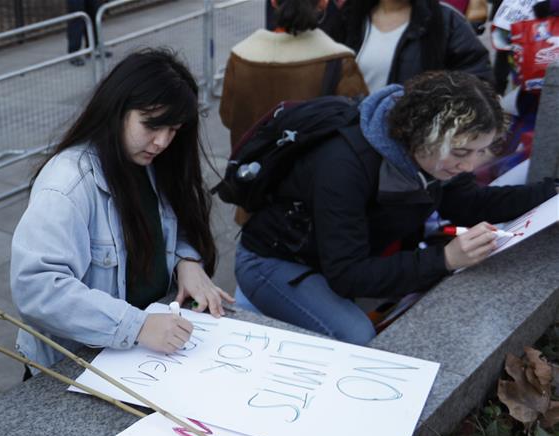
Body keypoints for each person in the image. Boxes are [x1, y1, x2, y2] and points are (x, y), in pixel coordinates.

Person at [234, 71, 557, 344]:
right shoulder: (345, 165)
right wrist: (445, 258)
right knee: (357, 335)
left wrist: (551, 192)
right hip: (272, 261)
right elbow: (347, 274)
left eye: (480, 151)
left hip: (332, 255)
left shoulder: (430, 154)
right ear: (422, 134)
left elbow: (469, 203)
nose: (470, 166)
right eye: (461, 153)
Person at [11, 49, 232, 369]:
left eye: (172, 130)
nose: (161, 142)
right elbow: (37, 288)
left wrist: (187, 260)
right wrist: (137, 326)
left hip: (141, 354)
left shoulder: (154, 164)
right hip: (79, 363)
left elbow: (180, 225)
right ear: (117, 110)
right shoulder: (67, 183)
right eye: (151, 126)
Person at [220, 0, 368, 153]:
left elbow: (228, 118)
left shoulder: (240, 58)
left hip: (252, 169)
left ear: (273, 2)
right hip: (314, 171)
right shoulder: (340, 61)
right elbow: (356, 120)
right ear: (323, 3)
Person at [324, 0, 493, 93]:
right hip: (352, 137)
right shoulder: (349, 17)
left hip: (414, 142)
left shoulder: (446, 22)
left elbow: (477, 82)